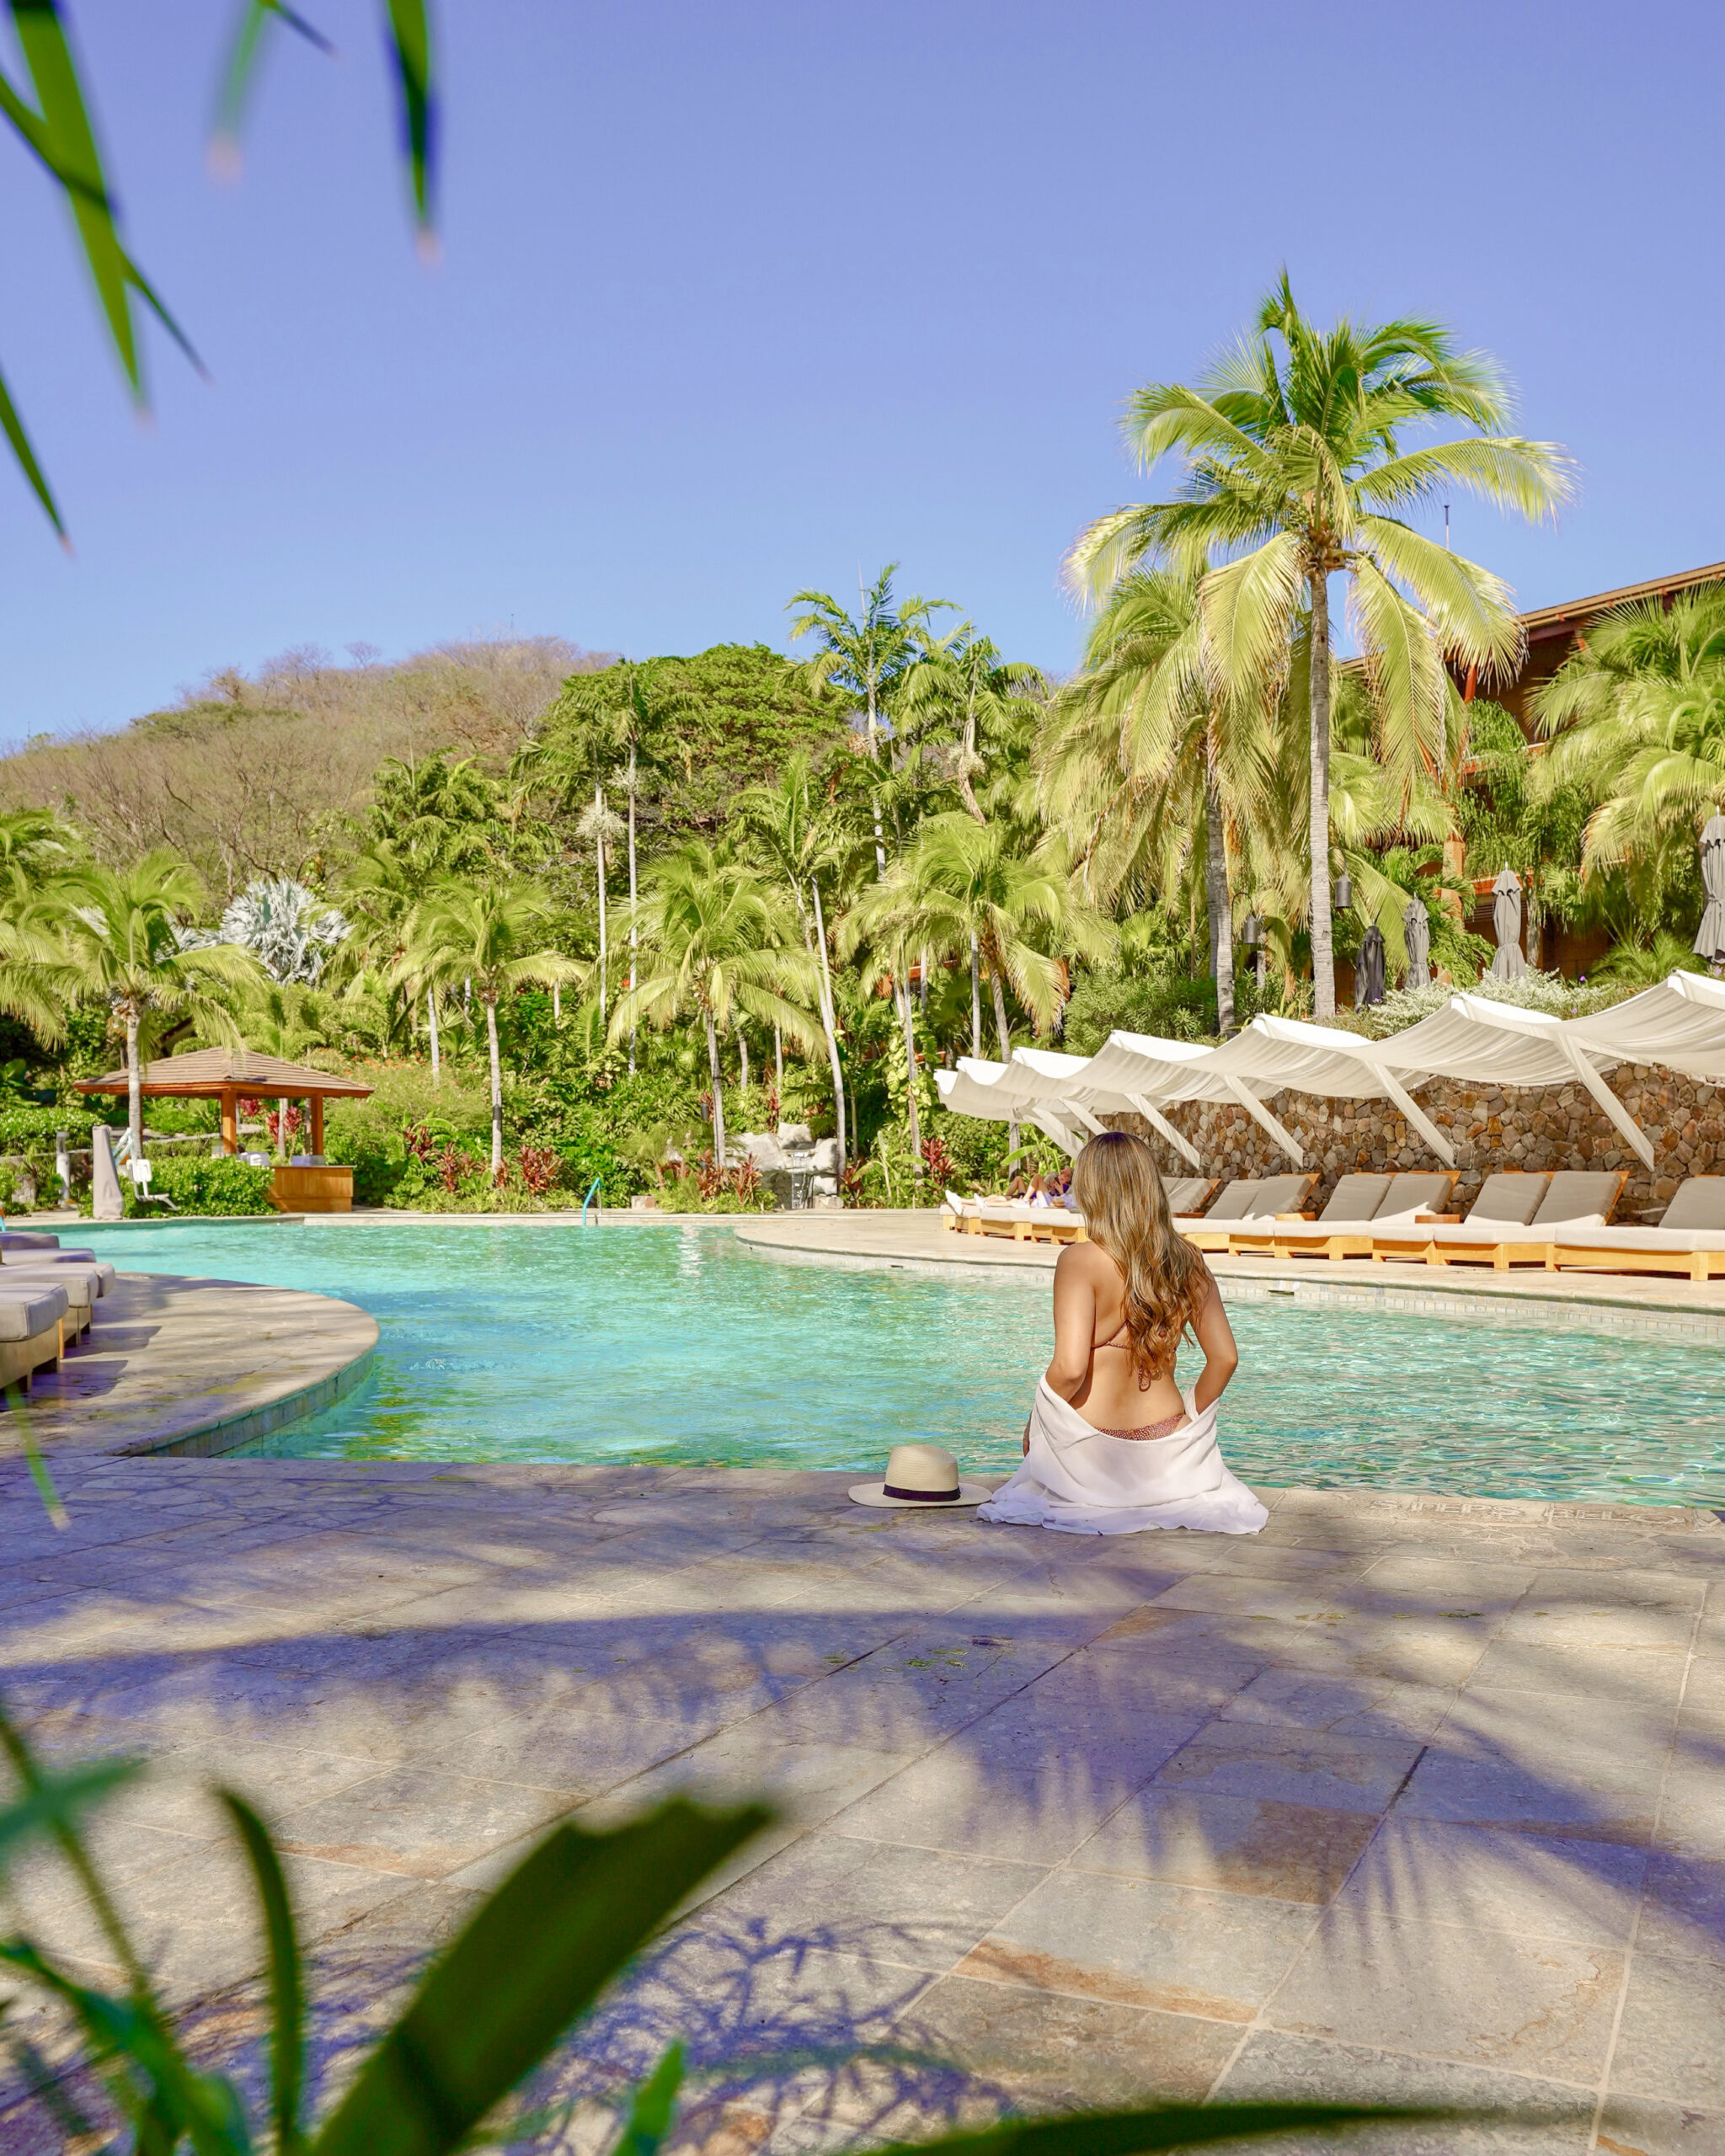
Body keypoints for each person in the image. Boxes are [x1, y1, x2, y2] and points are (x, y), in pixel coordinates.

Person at [978, 1130, 1267, 1535]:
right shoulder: (1187, 1261)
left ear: (1093, 1190)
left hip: (1092, 1461)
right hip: (1169, 1454)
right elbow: (1225, 1358)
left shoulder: (1080, 1261)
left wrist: (1036, 1420)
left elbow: (1070, 1368)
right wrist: (1189, 1422)